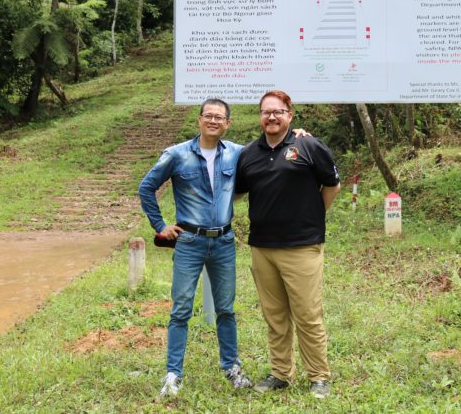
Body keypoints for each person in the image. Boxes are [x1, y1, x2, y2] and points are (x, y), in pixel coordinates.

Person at [138, 98, 251, 397]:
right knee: (181, 309)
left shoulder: (237, 154)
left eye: (220, 117)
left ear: (228, 123)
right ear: (199, 119)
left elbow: (270, 147)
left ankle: (231, 367)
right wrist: (160, 226)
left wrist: (298, 134)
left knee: (226, 309)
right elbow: (146, 187)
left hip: (224, 241)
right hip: (189, 242)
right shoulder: (177, 155)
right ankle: (173, 374)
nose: (214, 121)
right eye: (208, 116)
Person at [234, 90, 340, 399]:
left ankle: (319, 376)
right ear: (260, 117)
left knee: (307, 315)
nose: (271, 116)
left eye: (278, 111)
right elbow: (238, 192)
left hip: (302, 246)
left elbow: (332, 186)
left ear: (289, 115)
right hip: (262, 248)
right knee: (275, 316)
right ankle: (281, 373)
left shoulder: (308, 146)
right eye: (266, 112)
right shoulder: (249, 154)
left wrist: (313, 216)